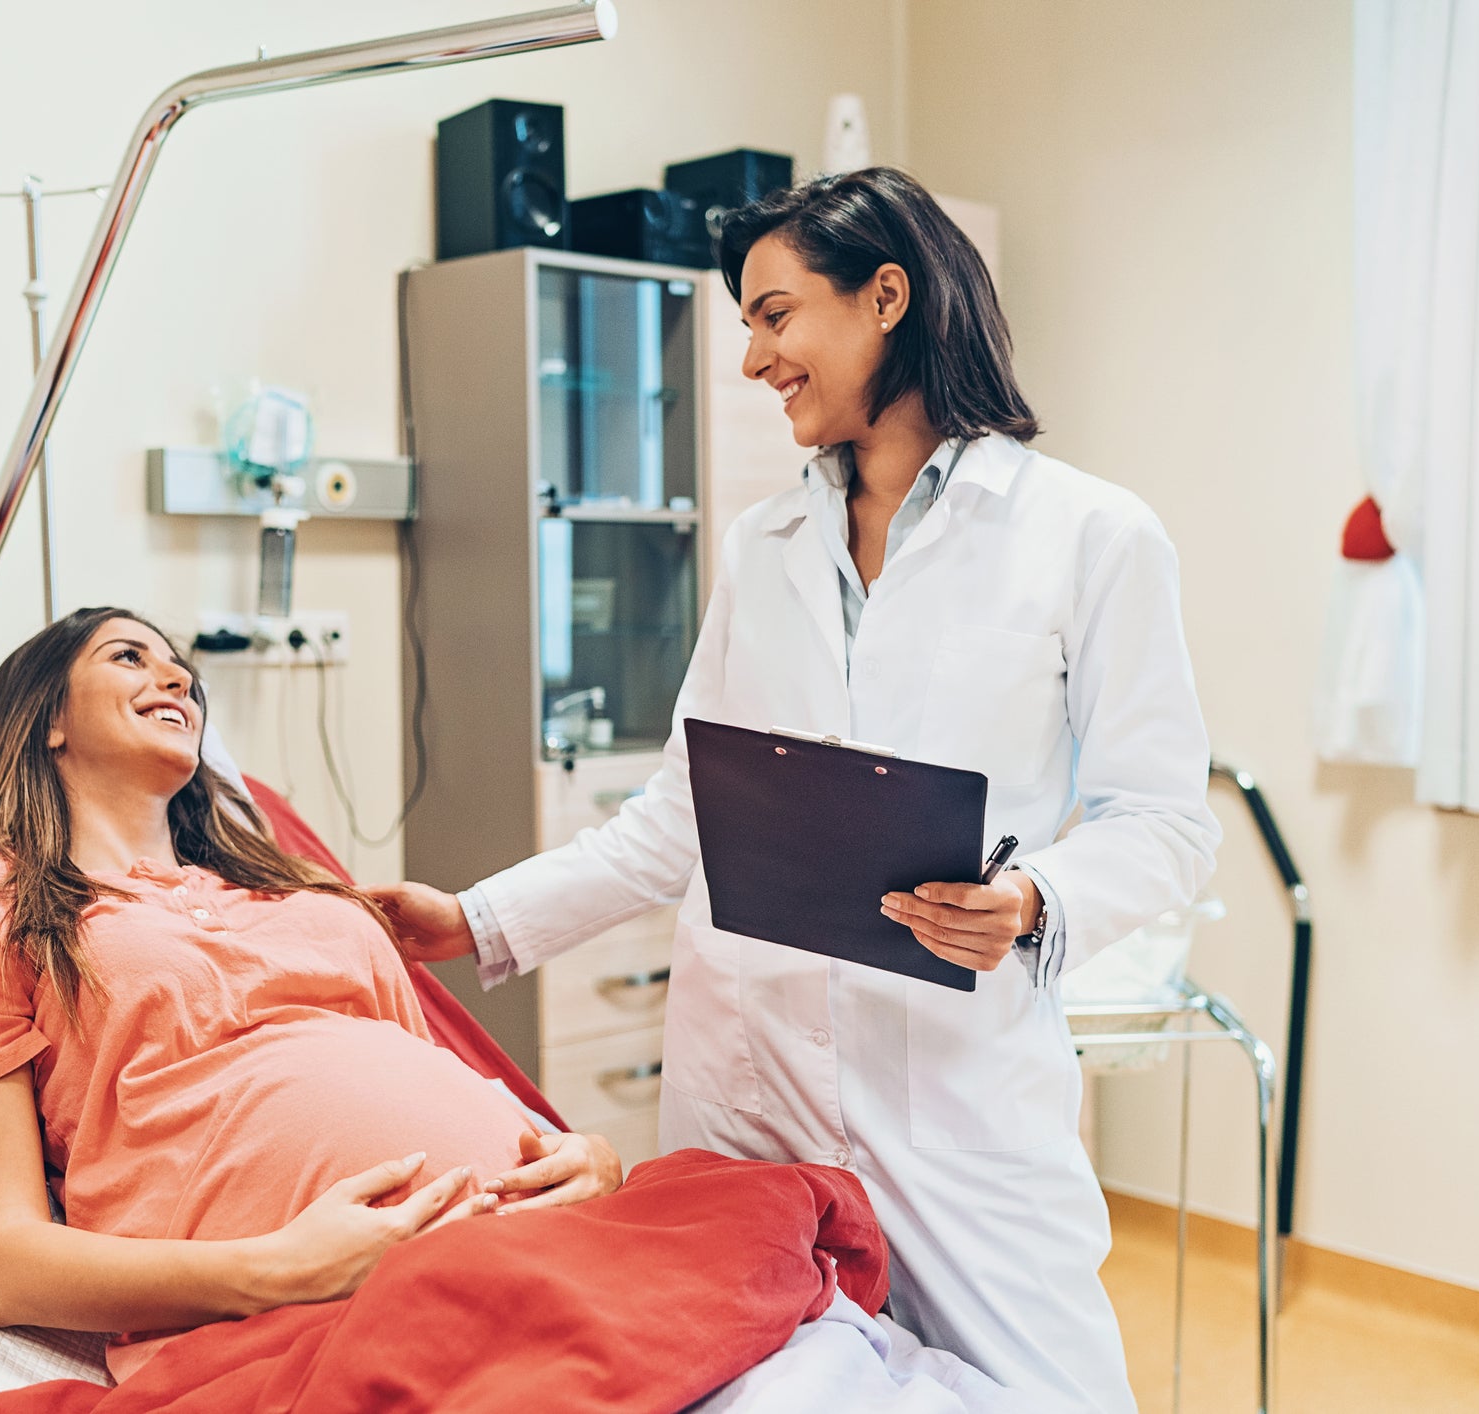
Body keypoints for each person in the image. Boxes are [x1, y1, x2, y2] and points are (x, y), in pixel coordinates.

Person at [374, 168, 1221, 1414]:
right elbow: (680, 818)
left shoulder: (1092, 539)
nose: (756, 357)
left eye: (776, 315)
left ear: (887, 297)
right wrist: (478, 919)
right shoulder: (761, 547)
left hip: (956, 1112)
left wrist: (1036, 898)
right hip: (749, 1100)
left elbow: (1166, 821)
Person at [0, 608, 621, 1383]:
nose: (176, 680)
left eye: (180, 670)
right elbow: (2, 1265)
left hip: (546, 1249)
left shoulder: (309, 896)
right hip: (301, 1324)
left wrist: (584, 1158)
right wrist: (281, 1269)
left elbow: (424, 1082)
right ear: (48, 719)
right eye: (129, 657)